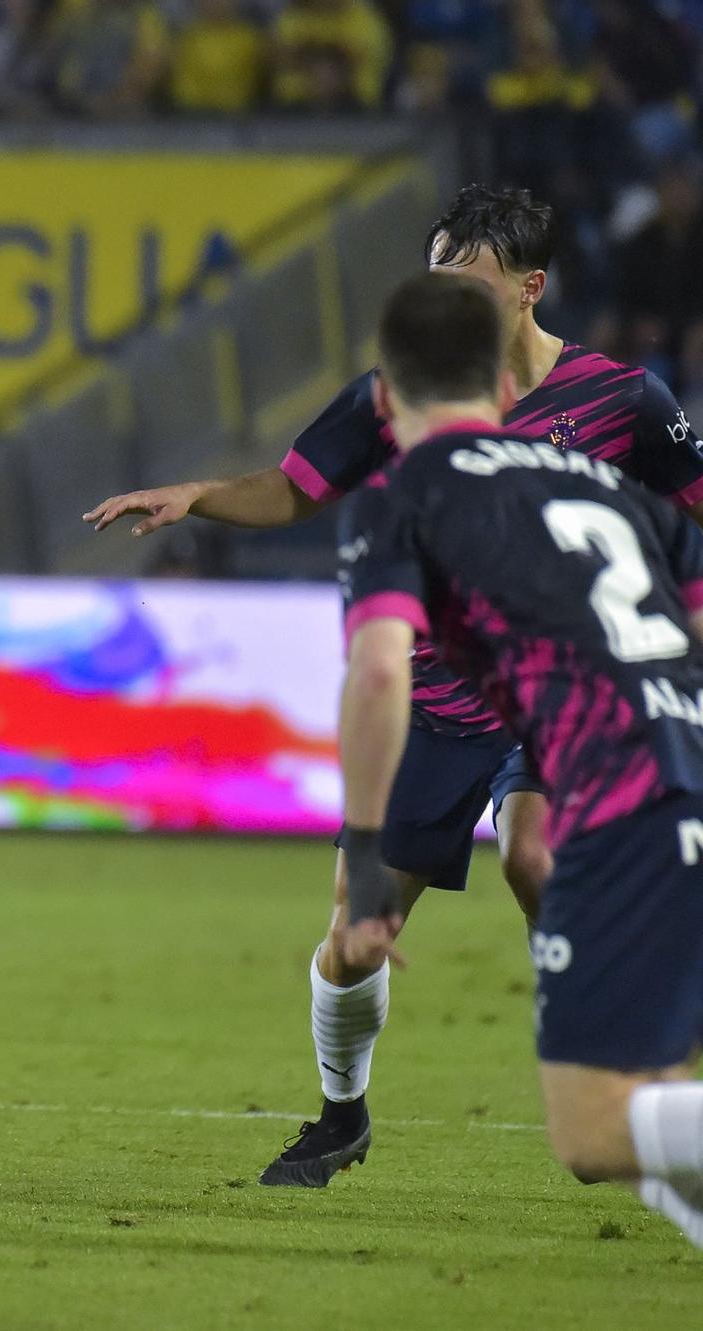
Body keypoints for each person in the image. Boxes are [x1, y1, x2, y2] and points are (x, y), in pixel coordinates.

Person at [83, 185, 703, 1188]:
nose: (442, 293)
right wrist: (198, 495)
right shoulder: (400, 392)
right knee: (351, 942)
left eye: (467, 277)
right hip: (435, 710)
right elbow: (295, 486)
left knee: (535, 855)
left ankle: (609, 1055)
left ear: (528, 288)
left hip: (551, 702)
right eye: (434, 273)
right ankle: (342, 1114)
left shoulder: (623, 402)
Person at [337, 270, 703, 1248]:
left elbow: (380, 672)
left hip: (622, 809)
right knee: (638, 1116)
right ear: (505, 393)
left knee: (595, 1129)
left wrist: (367, 858)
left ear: (383, 401)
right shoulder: (616, 490)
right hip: (682, 777)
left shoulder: (399, 498)